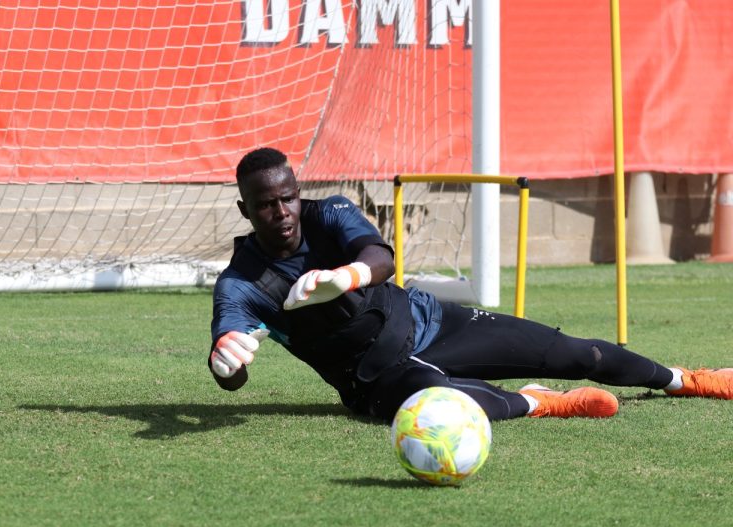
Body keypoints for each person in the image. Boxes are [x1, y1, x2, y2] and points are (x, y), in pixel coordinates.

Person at [208, 147, 733, 423]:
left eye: (287, 198)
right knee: (444, 403)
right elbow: (230, 360)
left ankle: (686, 380)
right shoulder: (241, 283)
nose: (281, 213)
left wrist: (342, 277)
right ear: (244, 209)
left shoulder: (331, 211)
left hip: (433, 322)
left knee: (582, 354)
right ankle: (541, 403)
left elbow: (380, 258)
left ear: (298, 194)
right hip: (374, 379)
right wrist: (227, 363)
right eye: (265, 205)